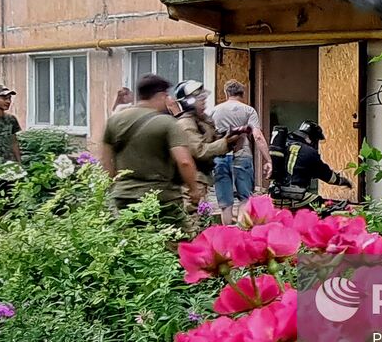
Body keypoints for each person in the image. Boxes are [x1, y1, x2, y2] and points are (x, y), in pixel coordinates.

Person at [98, 74, 203, 230]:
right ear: (161, 95)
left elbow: (106, 162)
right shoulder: (168, 123)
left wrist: (116, 187)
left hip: (124, 197)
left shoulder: (114, 120)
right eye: (167, 95)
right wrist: (194, 190)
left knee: (133, 244)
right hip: (162, 198)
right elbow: (184, 161)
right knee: (178, 243)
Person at [172, 80, 239, 220]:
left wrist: (227, 137)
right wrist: (225, 143)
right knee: (192, 221)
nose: (204, 102)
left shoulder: (201, 121)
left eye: (204, 98)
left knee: (201, 219)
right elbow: (199, 151)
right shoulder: (186, 123)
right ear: (188, 102)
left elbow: (210, 141)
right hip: (191, 182)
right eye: (200, 99)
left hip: (201, 180)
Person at [210, 80, 270, 224]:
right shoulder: (249, 111)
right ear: (242, 94)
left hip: (220, 157)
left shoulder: (214, 111)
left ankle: (226, 239)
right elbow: (258, 136)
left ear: (226, 93)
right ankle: (241, 234)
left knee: (225, 203)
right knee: (244, 199)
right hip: (242, 156)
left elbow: (208, 137)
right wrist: (268, 159)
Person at [268, 121, 352, 209]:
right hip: (295, 197)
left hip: (274, 196)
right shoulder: (309, 152)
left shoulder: (285, 146)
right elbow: (327, 176)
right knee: (324, 205)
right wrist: (343, 181)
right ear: (311, 138)